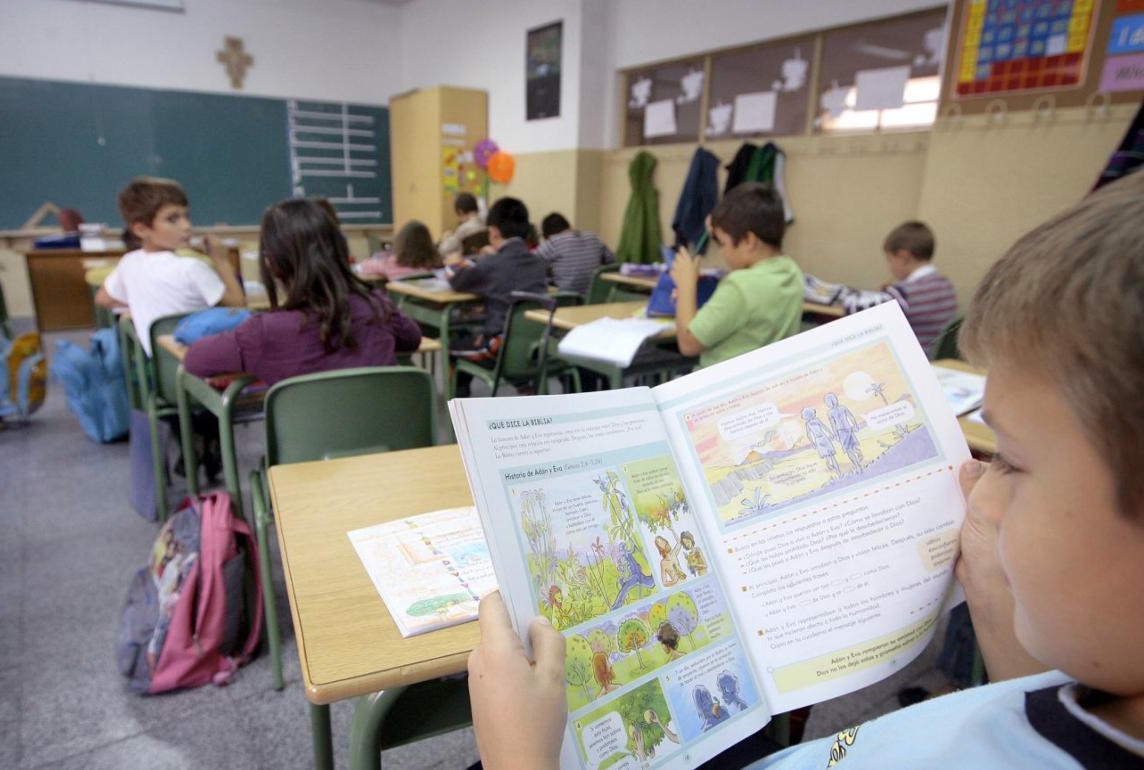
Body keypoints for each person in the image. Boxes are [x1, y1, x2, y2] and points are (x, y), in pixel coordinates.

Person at [465, 171, 1144, 769]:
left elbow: (691, 337)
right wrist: (998, 606)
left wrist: (520, 758)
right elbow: (1010, 719)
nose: (976, 483)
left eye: (1012, 463)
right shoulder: (1089, 680)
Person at [183, 198, 421, 385]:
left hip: (307, 448)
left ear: (271, 264)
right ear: (341, 252)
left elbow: (195, 360)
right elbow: (412, 339)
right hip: (392, 445)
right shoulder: (376, 306)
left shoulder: (262, 332)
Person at [94, 176, 245, 356]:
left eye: (186, 216)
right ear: (141, 229)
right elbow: (239, 307)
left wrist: (145, 303)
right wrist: (221, 260)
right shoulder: (191, 268)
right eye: (172, 219)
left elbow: (103, 298)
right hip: (202, 372)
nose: (186, 226)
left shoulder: (129, 262)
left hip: (161, 371)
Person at [671, 183, 803, 369]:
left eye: (723, 244)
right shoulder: (791, 271)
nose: (722, 253)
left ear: (749, 241)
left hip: (721, 390)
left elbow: (688, 344)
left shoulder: (740, 285)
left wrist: (686, 287)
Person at [445, 197, 547, 366]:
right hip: (535, 346)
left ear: (494, 231)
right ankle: (523, 384)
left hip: (498, 348)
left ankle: (460, 392)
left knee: (451, 347)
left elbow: (456, 279)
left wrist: (454, 262)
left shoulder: (490, 263)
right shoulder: (539, 263)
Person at [874, 221, 957, 356]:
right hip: (933, 359)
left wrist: (886, 296)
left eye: (890, 259)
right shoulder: (947, 286)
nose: (890, 266)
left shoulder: (902, 293)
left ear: (903, 257)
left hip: (907, 358)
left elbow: (875, 325)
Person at [535, 213, 615, 296]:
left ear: (548, 234)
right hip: (594, 299)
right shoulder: (593, 237)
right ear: (568, 226)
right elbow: (612, 261)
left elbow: (530, 266)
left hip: (567, 300)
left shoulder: (553, 243)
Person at [355, 220, 442, 280]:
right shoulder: (435, 265)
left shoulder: (392, 264)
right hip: (430, 305)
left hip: (399, 305)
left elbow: (362, 267)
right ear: (429, 243)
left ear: (401, 242)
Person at [438, 192, 487, 258]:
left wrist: (445, 239)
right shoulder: (486, 224)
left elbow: (443, 250)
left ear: (461, 212)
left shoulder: (464, 229)